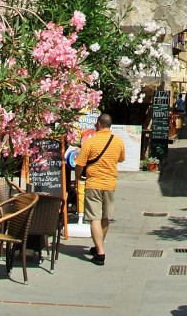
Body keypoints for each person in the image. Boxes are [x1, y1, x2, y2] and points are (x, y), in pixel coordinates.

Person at [75, 114, 126, 267]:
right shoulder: (118, 141)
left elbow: (80, 164)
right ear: (110, 125)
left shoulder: (90, 142)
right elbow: (121, 159)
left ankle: (100, 253)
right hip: (110, 184)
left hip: (94, 183)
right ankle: (98, 247)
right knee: (105, 217)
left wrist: (78, 177)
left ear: (98, 124)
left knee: (94, 218)